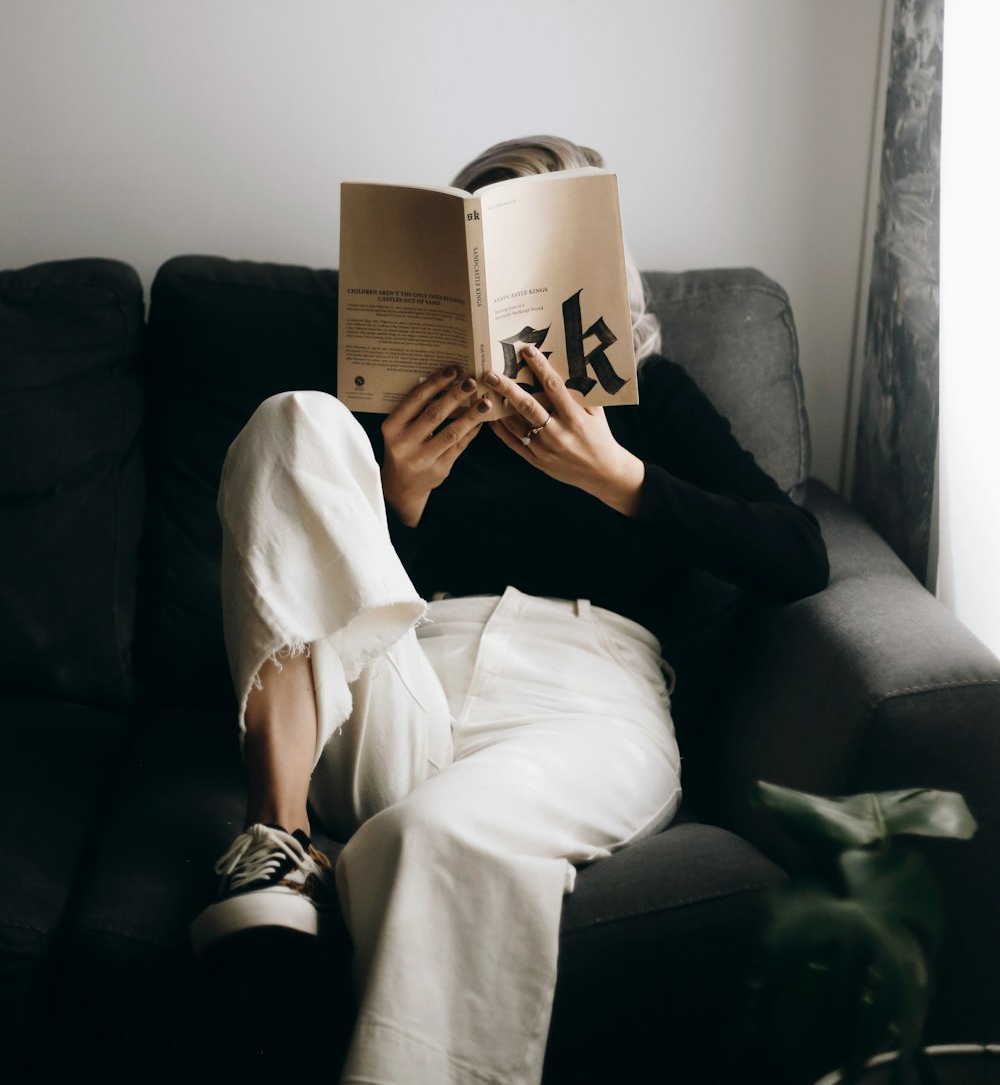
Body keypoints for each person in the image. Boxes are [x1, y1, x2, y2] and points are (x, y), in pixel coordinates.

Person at [190, 135, 829, 1085]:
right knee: (294, 417)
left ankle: (340, 918)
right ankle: (279, 843)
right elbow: (309, 581)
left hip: (584, 700)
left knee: (425, 841)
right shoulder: (396, 397)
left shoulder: (651, 402)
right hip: (400, 679)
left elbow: (797, 556)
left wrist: (617, 475)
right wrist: (395, 501)